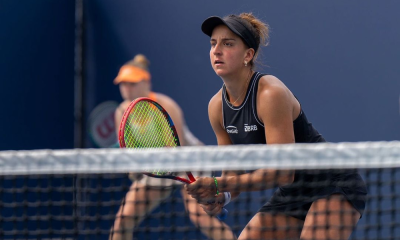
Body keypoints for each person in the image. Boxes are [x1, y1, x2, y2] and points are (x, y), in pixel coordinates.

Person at [186, 13, 367, 240]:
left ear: (248, 55)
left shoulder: (270, 93)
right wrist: (224, 196)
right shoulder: (216, 108)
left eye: (228, 43)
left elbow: (282, 174)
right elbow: (232, 171)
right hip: (292, 194)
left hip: (332, 185)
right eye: (213, 44)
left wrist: (217, 183)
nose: (217, 50)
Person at [109, 54, 235, 240]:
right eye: (123, 84)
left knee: (200, 216)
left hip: (189, 162)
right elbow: (130, 149)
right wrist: (135, 166)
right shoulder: (121, 112)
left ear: (146, 82)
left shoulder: (166, 105)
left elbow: (177, 149)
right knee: (123, 220)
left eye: (132, 83)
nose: (126, 89)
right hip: (157, 169)